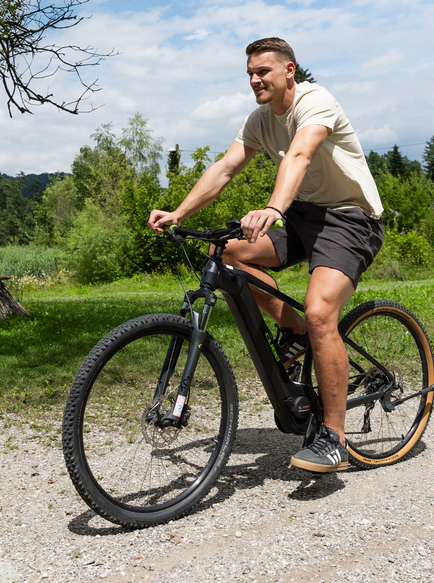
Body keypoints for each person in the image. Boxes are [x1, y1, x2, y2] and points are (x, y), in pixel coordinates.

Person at [148, 37, 383, 473]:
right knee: (226, 253)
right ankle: (293, 330)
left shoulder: (315, 102)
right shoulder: (259, 119)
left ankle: (334, 438)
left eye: (263, 72)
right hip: (302, 217)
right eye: (250, 74)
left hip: (349, 220)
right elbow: (225, 168)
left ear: (289, 70)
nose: (255, 80)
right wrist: (179, 212)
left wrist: (274, 208)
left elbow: (300, 154)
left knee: (320, 313)